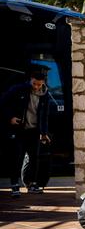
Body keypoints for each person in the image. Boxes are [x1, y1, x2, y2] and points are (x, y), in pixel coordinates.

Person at [0, 65, 51, 198]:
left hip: (34, 130)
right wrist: (10, 117)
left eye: (39, 84)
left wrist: (44, 132)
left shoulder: (45, 94)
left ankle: (32, 184)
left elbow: (44, 114)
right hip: (19, 129)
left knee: (34, 158)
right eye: (34, 83)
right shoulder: (19, 89)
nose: (36, 87)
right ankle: (14, 185)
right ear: (30, 80)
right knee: (17, 157)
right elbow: (2, 103)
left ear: (43, 83)